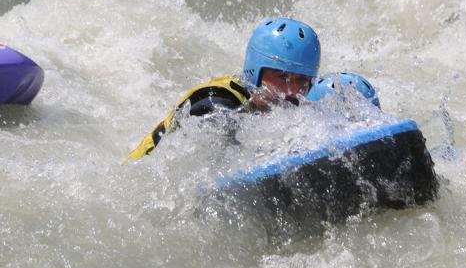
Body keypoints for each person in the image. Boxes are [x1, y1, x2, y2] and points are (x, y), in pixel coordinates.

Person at [127, 17, 321, 161]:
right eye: (283, 77)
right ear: (255, 72)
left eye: (302, 80)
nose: (294, 91)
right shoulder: (216, 101)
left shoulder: (287, 104)